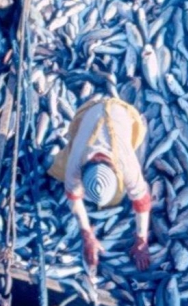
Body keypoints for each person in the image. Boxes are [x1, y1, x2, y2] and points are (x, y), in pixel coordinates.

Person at [48, 96, 152, 271]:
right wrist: (87, 235)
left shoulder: (127, 163)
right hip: (91, 112)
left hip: (122, 114)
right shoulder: (75, 163)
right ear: (82, 172)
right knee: (59, 169)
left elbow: (142, 202)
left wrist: (142, 240)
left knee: (115, 199)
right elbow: (74, 198)